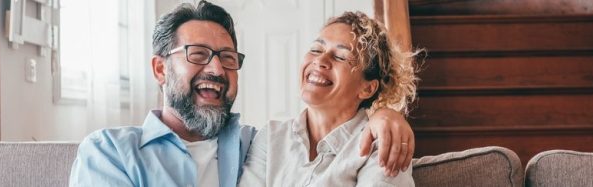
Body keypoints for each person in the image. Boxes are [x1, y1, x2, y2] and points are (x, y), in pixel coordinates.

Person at [68, 1, 414, 187]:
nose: (217, 70)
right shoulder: (109, 152)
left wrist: (384, 113)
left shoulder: (251, 143)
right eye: (198, 55)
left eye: (227, 59)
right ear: (161, 69)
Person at [240, 11, 418, 186]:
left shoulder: (384, 144)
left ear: (367, 88)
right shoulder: (271, 138)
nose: (320, 60)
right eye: (316, 49)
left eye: (341, 57)